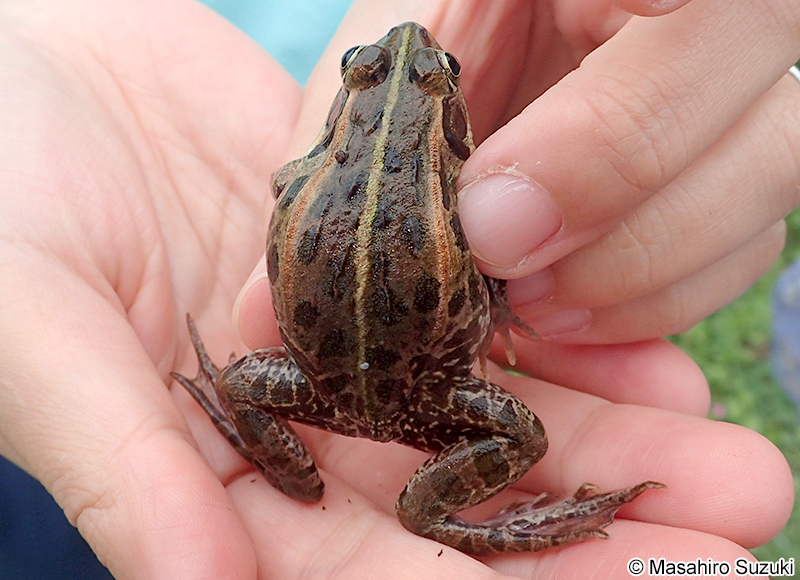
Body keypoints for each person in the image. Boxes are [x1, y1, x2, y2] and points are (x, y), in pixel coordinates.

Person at [0, 0, 796, 578]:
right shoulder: (462, 197)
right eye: (371, 66)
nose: (415, 47)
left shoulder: (312, 167)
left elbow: (288, 180)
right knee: (525, 437)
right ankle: (444, 515)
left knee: (240, 378)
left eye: (435, 71)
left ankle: (305, 479)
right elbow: (491, 281)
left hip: (315, 384)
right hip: (431, 399)